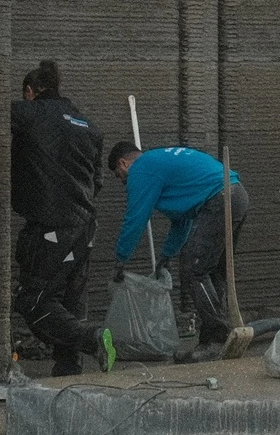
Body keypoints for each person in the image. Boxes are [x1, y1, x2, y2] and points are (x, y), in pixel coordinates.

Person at [8, 61, 114, 376]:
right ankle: (68, 367)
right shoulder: (89, 125)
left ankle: (91, 339)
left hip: (52, 226)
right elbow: (96, 183)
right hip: (86, 226)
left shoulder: (26, 113)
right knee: (71, 299)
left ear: (30, 92)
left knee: (34, 301)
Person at [107, 140, 251, 359]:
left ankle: (217, 338)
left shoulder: (141, 169)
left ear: (123, 163)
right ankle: (215, 340)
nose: (122, 181)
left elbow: (136, 218)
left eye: (119, 175)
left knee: (194, 270)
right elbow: (182, 221)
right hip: (235, 195)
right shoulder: (159, 162)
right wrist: (167, 254)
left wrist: (121, 258)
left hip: (220, 198)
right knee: (210, 271)